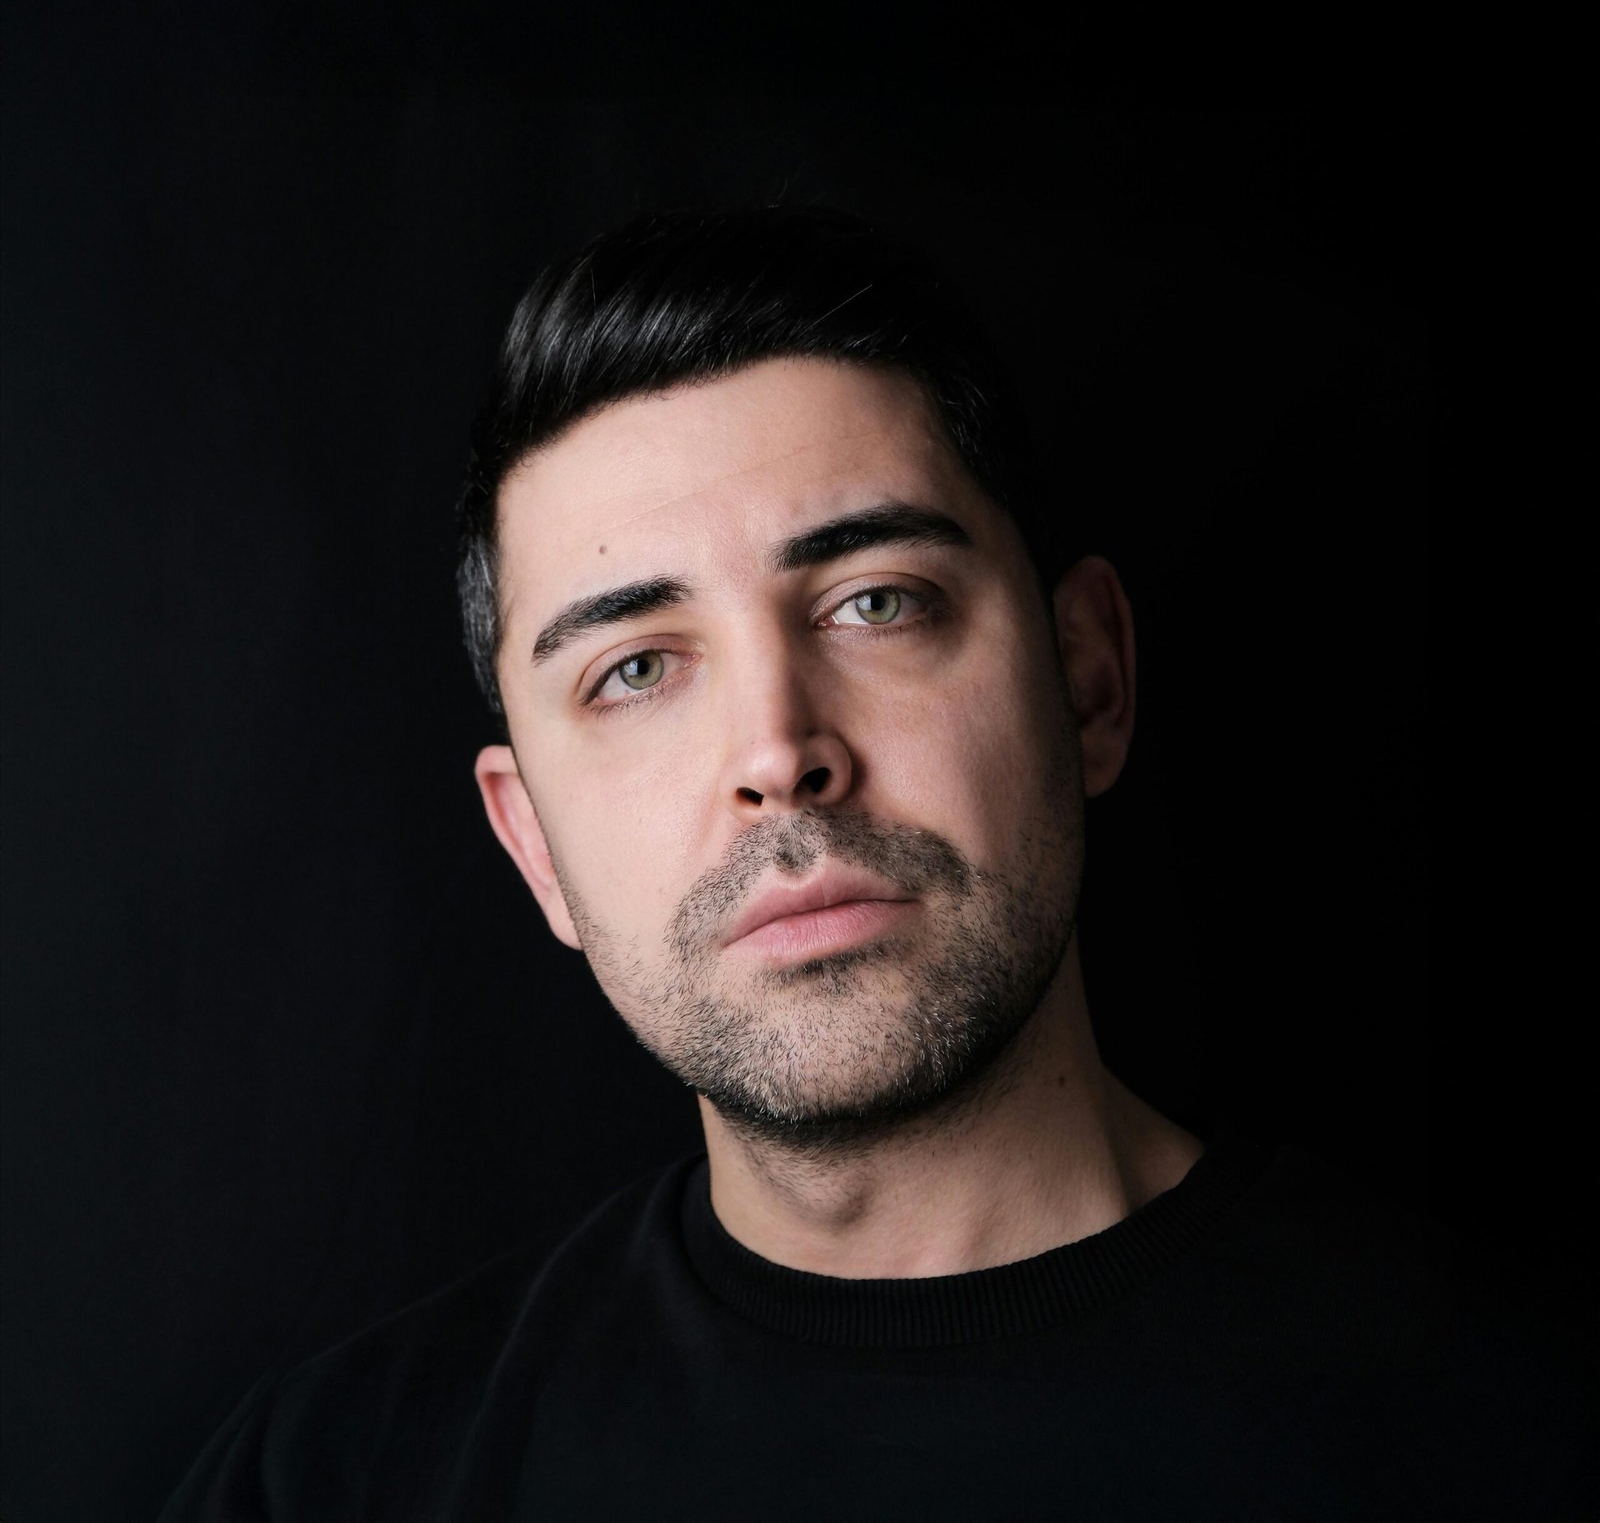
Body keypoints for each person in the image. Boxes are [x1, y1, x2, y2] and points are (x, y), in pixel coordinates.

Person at [162, 206, 1591, 1519]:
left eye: (875, 602)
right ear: (532, 844)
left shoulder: (1515, 1430)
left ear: (1089, 682)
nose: (777, 752)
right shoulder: (326, 1487)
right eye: (637, 667)